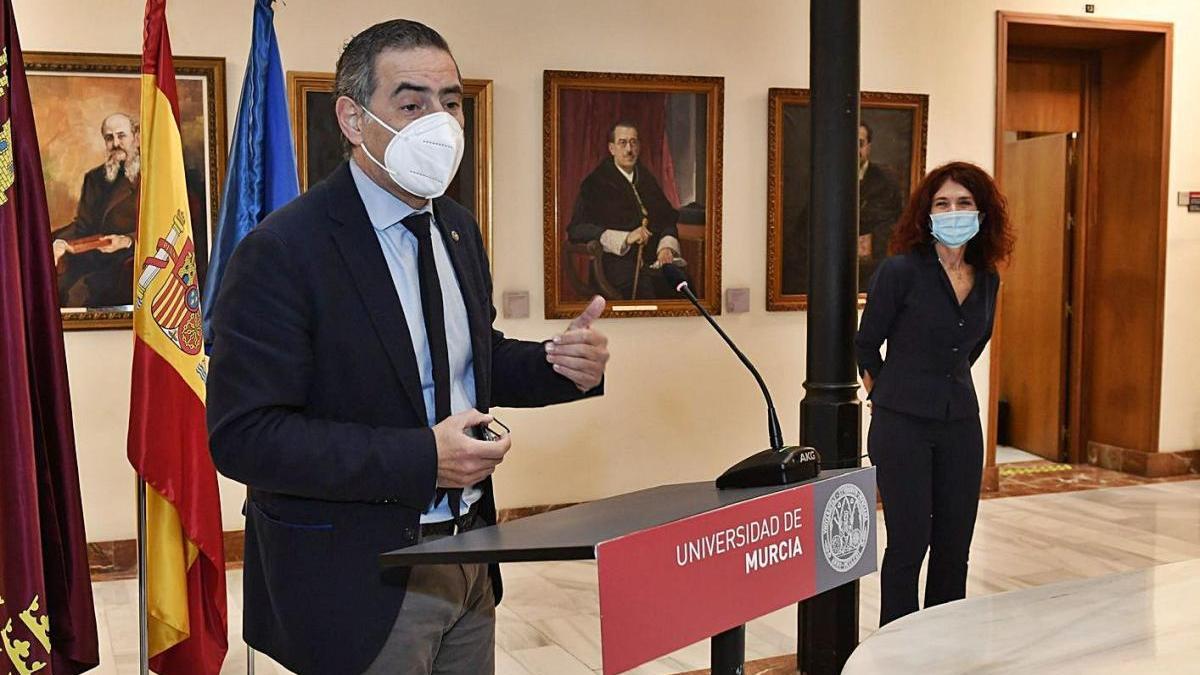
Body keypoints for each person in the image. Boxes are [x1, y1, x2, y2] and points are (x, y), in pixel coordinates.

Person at [206, 20, 609, 675]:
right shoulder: (283, 251)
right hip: (354, 581)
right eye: (412, 101)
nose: (440, 121)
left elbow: (463, 358)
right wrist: (423, 459)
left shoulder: (455, 227)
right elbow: (246, 435)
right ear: (352, 117)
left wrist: (556, 365)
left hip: (471, 555)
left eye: (450, 101)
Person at [854, 161, 1013, 627]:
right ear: (926, 214)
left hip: (961, 423)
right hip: (901, 424)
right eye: (942, 203)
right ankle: (898, 649)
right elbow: (866, 344)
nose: (953, 211)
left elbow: (973, 346)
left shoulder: (987, 278)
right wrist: (887, 395)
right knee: (909, 544)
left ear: (982, 212)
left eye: (964, 203)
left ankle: (943, 646)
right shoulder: (901, 271)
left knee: (954, 545)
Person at [566, 121, 680, 300]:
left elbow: (667, 218)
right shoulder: (595, 183)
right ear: (612, 148)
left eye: (633, 142)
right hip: (614, 267)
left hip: (653, 261)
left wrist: (666, 247)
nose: (629, 149)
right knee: (646, 289)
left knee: (681, 284)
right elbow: (576, 229)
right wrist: (626, 238)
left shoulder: (647, 179)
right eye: (623, 143)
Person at [51, 112, 141, 307]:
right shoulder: (94, 177)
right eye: (109, 138)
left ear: (136, 136)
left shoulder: (153, 173)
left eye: (121, 135)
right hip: (93, 256)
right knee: (51, 286)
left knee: (79, 293)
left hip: (130, 259)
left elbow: (165, 226)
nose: (115, 143)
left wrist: (127, 240)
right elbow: (82, 225)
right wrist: (59, 242)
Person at [856, 121, 904, 287]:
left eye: (860, 144)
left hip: (875, 265)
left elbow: (897, 221)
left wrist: (873, 241)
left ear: (868, 146)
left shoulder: (886, 179)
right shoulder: (826, 179)